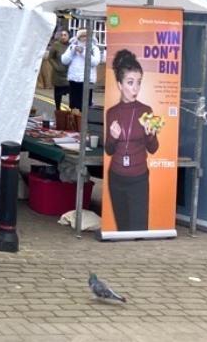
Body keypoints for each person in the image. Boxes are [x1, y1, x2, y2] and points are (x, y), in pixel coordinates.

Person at [103, 50, 158, 232]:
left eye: (138, 83)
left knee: (139, 229)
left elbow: (154, 148)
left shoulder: (146, 110)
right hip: (116, 178)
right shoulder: (112, 112)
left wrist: (150, 134)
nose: (135, 88)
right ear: (120, 85)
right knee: (122, 230)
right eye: (130, 82)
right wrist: (112, 137)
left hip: (138, 179)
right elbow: (109, 150)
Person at [60, 29, 100, 112]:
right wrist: (72, 51)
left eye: (86, 36)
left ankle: (84, 123)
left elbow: (95, 62)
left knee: (85, 105)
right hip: (74, 79)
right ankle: (74, 123)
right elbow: (64, 60)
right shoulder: (72, 46)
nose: (85, 38)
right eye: (82, 36)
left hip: (87, 81)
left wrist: (83, 52)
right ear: (78, 37)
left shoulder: (94, 48)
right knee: (73, 105)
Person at [47, 30, 71, 111]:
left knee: (73, 95)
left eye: (65, 35)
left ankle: (72, 112)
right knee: (58, 95)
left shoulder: (72, 46)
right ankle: (58, 111)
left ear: (69, 36)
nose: (63, 37)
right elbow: (50, 58)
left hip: (69, 75)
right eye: (61, 35)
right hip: (58, 75)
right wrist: (56, 67)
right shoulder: (56, 45)